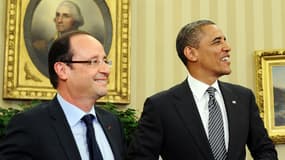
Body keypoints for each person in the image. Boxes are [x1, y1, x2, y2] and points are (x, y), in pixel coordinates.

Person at [127, 19, 278, 160]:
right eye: (217, 41)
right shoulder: (160, 106)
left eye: (225, 40)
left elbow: (265, 150)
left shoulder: (243, 98)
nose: (227, 47)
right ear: (191, 53)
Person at [0, 31, 126, 160]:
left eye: (105, 61)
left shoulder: (112, 123)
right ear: (62, 70)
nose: (105, 70)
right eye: (93, 62)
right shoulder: (30, 125)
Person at [32, 0, 84, 77]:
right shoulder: (44, 47)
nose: (59, 20)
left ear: (75, 21)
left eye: (65, 16)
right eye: (57, 15)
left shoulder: (85, 45)